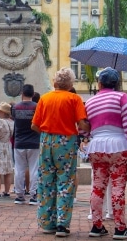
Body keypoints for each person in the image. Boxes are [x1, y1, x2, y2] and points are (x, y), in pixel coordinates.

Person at [31, 67, 89, 237]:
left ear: (55, 82)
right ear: (71, 84)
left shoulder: (45, 98)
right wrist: (90, 127)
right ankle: (62, 224)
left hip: (46, 141)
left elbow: (34, 125)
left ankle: (47, 222)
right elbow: (82, 123)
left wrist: (47, 132)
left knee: (46, 181)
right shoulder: (74, 98)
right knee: (65, 181)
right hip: (66, 142)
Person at [84, 68, 127, 239]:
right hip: (118, 145)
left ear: (100, 83)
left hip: (97, 146)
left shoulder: (90, 102)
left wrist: (88, 138)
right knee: (118, 188)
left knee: (98, 187)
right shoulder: (121, 97)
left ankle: (96, 225)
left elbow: (85, 129)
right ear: (116, 83)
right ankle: (120, 228)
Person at [12, 84, 40, 205]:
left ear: (22, 94)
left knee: (19, 169)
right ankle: (34, 195)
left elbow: (15, 121)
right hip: (34, 142)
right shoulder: (37, 107)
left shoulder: (15, 107)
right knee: (34, 169)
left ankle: (19, 195)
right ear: (33, 95)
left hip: (19, 142)